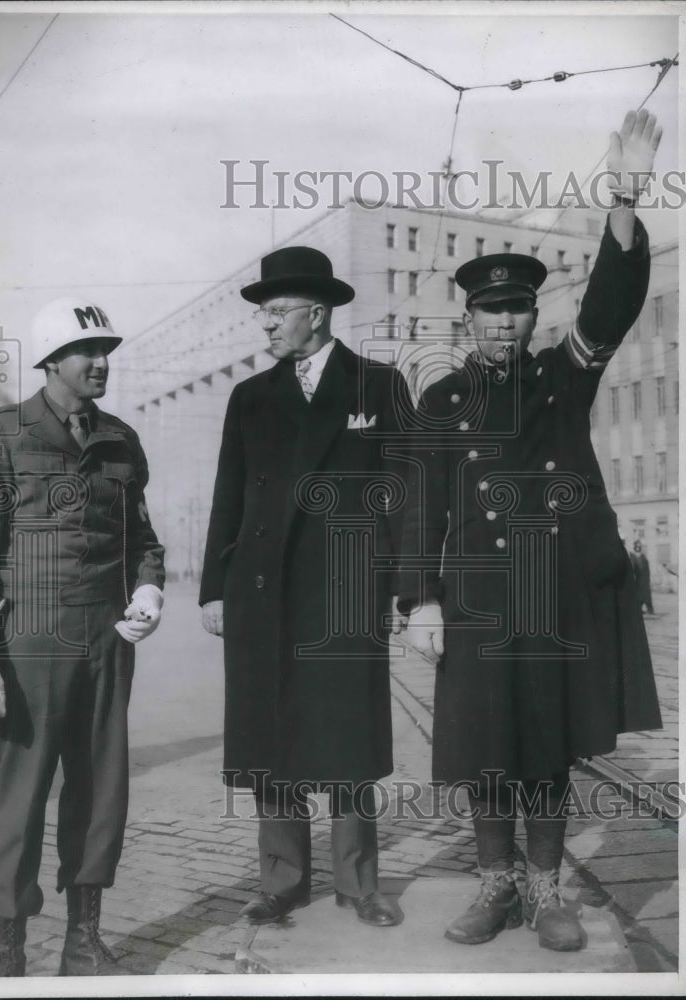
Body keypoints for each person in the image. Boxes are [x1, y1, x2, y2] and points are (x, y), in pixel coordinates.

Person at [399, 110, 663, 952]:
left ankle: (547, 890)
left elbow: (613, 301)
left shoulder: (564, 375)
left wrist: (622, 194)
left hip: (553, 591)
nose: (505, 323)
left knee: (545, 746)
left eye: (517, 309)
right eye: (491, 310)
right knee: (485, 747)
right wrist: (422, 603)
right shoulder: (441, 404)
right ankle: (494, 888)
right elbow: (419, 511)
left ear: (528, 315)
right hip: (477, 597)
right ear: (469, 319)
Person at [200, 246, 412, 928]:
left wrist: (404, 590)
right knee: (269, 737)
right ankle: (282, 880)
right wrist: (212, 588)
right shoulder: (249, 396)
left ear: (316, 315)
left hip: (345, 590)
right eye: (262, 315)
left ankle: (357, 884)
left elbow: (404, 496)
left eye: (276, 313)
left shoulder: (377, 387)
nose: (264, 326)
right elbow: (227, 495)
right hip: (261, 589)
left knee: (348, 740)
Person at [0, 299, 166, 976]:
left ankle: (84, 940)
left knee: (102, 791)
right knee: (19, 797)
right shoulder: (0, 435)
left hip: (106, 641)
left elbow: (142, 537)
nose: (102, 363)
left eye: (107, 349)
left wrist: (147, 589)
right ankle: (7, 950)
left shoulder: (120, 439)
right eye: (87, 352)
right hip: (30, 643)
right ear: (52, 361)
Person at [630, 540, 654, 614]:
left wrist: (648, 579)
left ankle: (650, 610)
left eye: (639, 545)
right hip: (638, 580)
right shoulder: (632, 557)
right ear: (634, 546)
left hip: (644, 579)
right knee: (638, 596)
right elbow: (632, 568)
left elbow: (647, 568)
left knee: (646, 595)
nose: (638, 547)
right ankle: (638, 609)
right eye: (637, 545)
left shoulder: (643, 557)